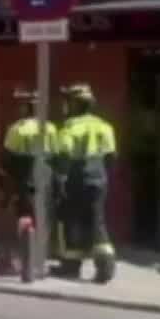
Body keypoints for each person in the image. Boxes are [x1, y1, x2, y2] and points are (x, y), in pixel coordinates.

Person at [53, 83, 118, 284]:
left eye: (67, 102)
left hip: (76, 178)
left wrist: (60, 178)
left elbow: (64, 154)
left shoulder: (71, 127)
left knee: (70, 220)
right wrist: (101, 176)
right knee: (97, 220)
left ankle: (71, 266)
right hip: (98, 179)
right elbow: (111, 156)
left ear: (74, 104)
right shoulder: (105, 126)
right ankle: (105, 267)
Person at [0, 88, 56, 275]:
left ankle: (23, 258)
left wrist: (6, 184)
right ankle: (40, 261)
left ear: (26, 108)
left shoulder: (17, 128)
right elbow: (56, 155)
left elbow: (6, 158)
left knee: (24, 215)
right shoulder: (50, 128)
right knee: (43, 219)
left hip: (24, 179)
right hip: (45, 179)